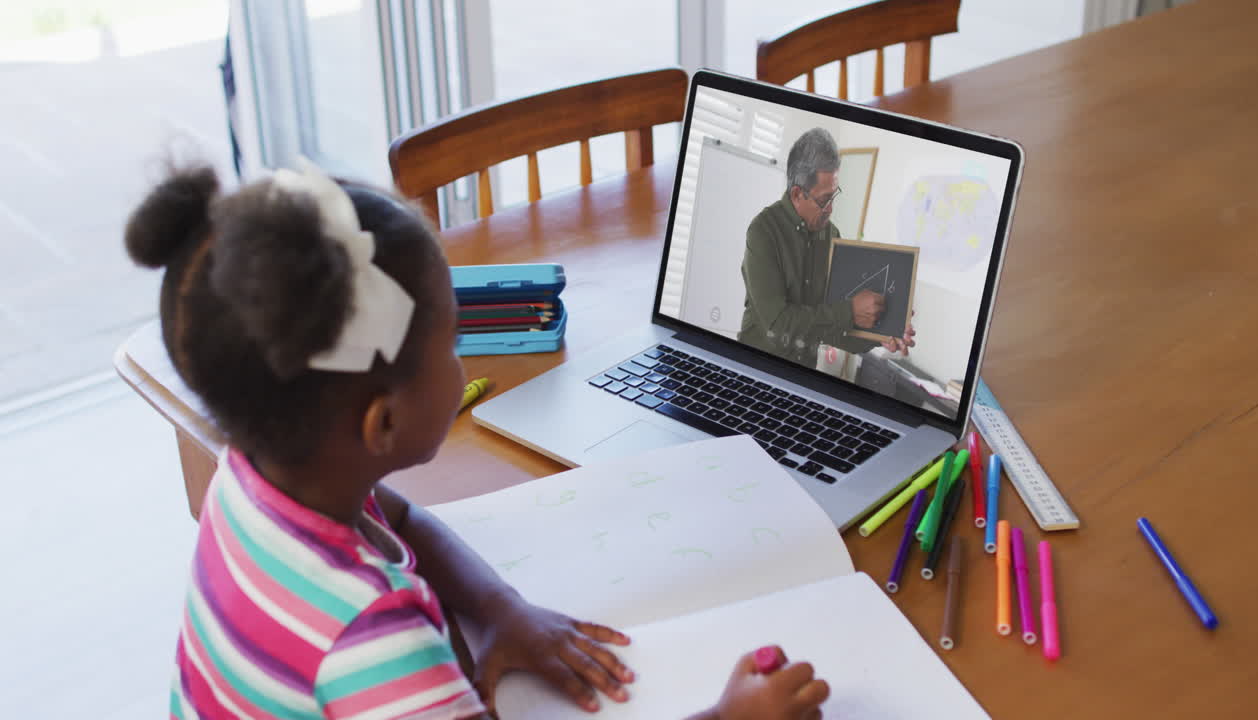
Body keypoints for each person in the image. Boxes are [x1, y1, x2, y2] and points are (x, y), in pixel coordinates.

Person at [126, 161, 830, 719]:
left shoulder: (252, 480)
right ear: (382, 423)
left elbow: (401, 519)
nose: (466, 364)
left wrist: (500, 610)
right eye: (453, 343)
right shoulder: (377, 645)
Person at [738, 127, 915, 368]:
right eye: (824, 200)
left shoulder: (832, 236)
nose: (831, 209)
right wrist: (850, 312)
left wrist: (880, 333)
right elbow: (778, 325)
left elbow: (832, 330)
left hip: (803, 377)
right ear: (798, 194)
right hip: (753, 369)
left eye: (834, 196)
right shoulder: (762, 231)